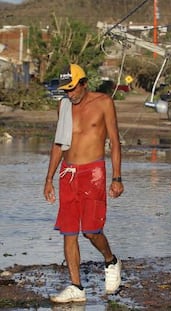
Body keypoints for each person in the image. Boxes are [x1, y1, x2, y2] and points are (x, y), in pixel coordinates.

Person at [43, 64, 124, 303]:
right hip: (68, 174)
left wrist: (117, 177)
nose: (70, 94)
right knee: (69, 231)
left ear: (84, 83)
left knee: (90, 230)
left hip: (93, 172)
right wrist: (48, 179)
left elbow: (115, 142)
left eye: (73, 88)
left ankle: (111, 261)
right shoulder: (64, 106)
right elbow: (59, 144)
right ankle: (76, 286)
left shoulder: (103, 102)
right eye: (66, 90)